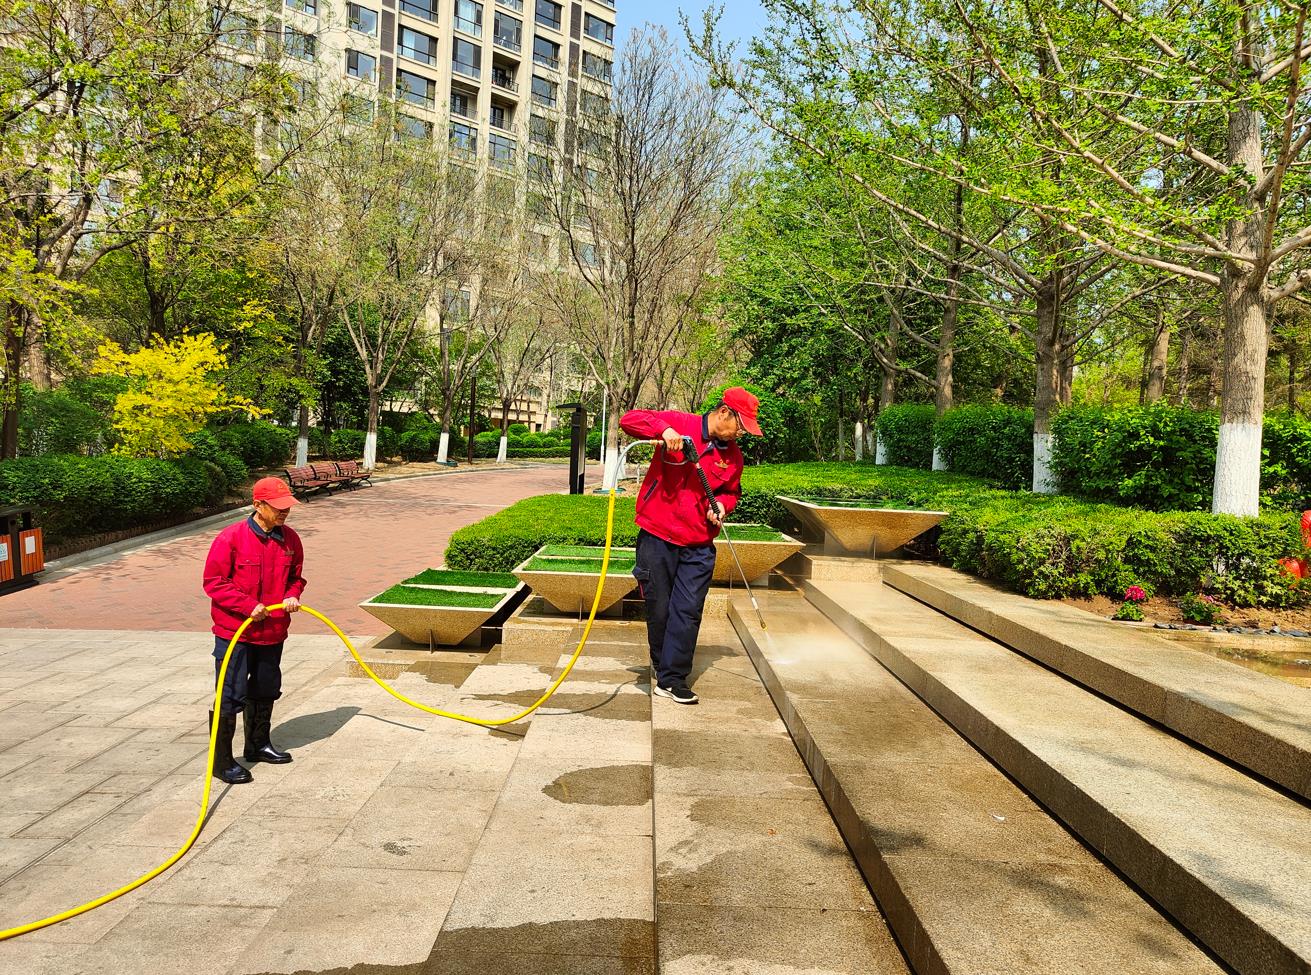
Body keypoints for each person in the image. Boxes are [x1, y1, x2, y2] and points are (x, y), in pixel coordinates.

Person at [619, 387, 761, 704]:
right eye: (741, 425)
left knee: (688, 610)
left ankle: (672, 679)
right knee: (659, 607)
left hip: (698, 543)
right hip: (658, 535)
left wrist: (722, 506)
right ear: (725, 413)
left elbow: (731, 491)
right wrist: (664, 430)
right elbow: (629, 419)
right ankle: (662, 664)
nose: (741, 433)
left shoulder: (732, 456)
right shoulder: (679, 422)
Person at [201, 476, 306, 783]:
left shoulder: (290, 540)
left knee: (265, 688)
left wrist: (292, 595)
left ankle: (258, 744)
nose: (285, 513)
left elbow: (297, 578)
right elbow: (214, 583)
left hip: (272, 632)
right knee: (230, 693)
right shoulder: (230, 538)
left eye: (287, 507)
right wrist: (248, 606)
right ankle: (221, 762)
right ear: (258, 505)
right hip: (236, 632)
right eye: (278, 507)